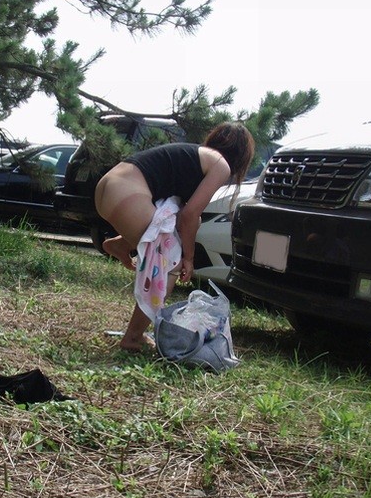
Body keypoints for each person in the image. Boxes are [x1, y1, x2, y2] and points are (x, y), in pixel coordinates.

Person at [94, 122, 256, 351]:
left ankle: (122, 244)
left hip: (108, 187)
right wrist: (188, 259)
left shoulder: (196, 156)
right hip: (127, 194)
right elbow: (189, 216)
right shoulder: (221, 165)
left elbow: (179, 213)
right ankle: (133, 336)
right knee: (170, 261)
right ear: (241, 157)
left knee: (161, 231)